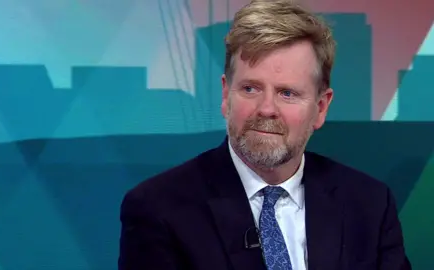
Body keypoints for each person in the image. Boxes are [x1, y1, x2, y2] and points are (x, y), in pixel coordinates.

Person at [118, 0, 411, 269]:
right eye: (250, 89)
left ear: (321, 108)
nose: (266, 109)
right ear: (225, 95)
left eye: (287, 93)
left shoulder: (369, 204)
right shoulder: (159, 208)